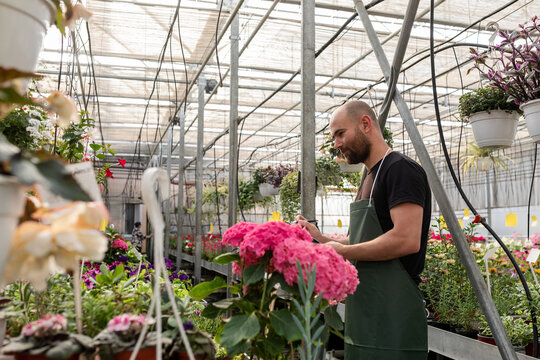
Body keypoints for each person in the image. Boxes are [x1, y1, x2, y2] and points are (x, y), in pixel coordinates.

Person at [296, 100, 431, 360]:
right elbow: (370, 236)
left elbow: (405, 239)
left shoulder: (400, 170)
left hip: (393, 317)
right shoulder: (370, 176)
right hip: (366, 314)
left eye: (340, 133)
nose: (335, 144)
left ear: (365, 124)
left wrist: (343, 251)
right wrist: (322, 239)